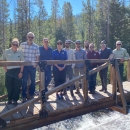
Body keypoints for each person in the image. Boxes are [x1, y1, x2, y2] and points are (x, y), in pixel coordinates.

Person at [1, 38, 24, 105]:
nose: (15, 46)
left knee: (17, 86)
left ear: (18, 45)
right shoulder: (6, 51)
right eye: (14, 44)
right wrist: (5, 69)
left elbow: (22, 63)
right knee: (9, 86)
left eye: (16, 45)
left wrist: (21, 72)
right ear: (11, 44)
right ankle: (9, 99)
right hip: (9, 71)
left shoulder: (20, 52)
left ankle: (15, 100)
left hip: (17, 70)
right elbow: (2, 60)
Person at [20, 32, 40, 103]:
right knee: (24, 81)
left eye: (32, 37)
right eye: (29, 37)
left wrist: (36, 64)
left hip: (32, 66)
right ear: (27, 37)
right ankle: (24, 96)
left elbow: (37, 56)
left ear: (33, 38)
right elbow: (20, 55)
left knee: (33, 81)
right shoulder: (22, 45)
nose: (30, 38)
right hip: (25, 66)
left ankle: (31, 94)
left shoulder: (36, 46)